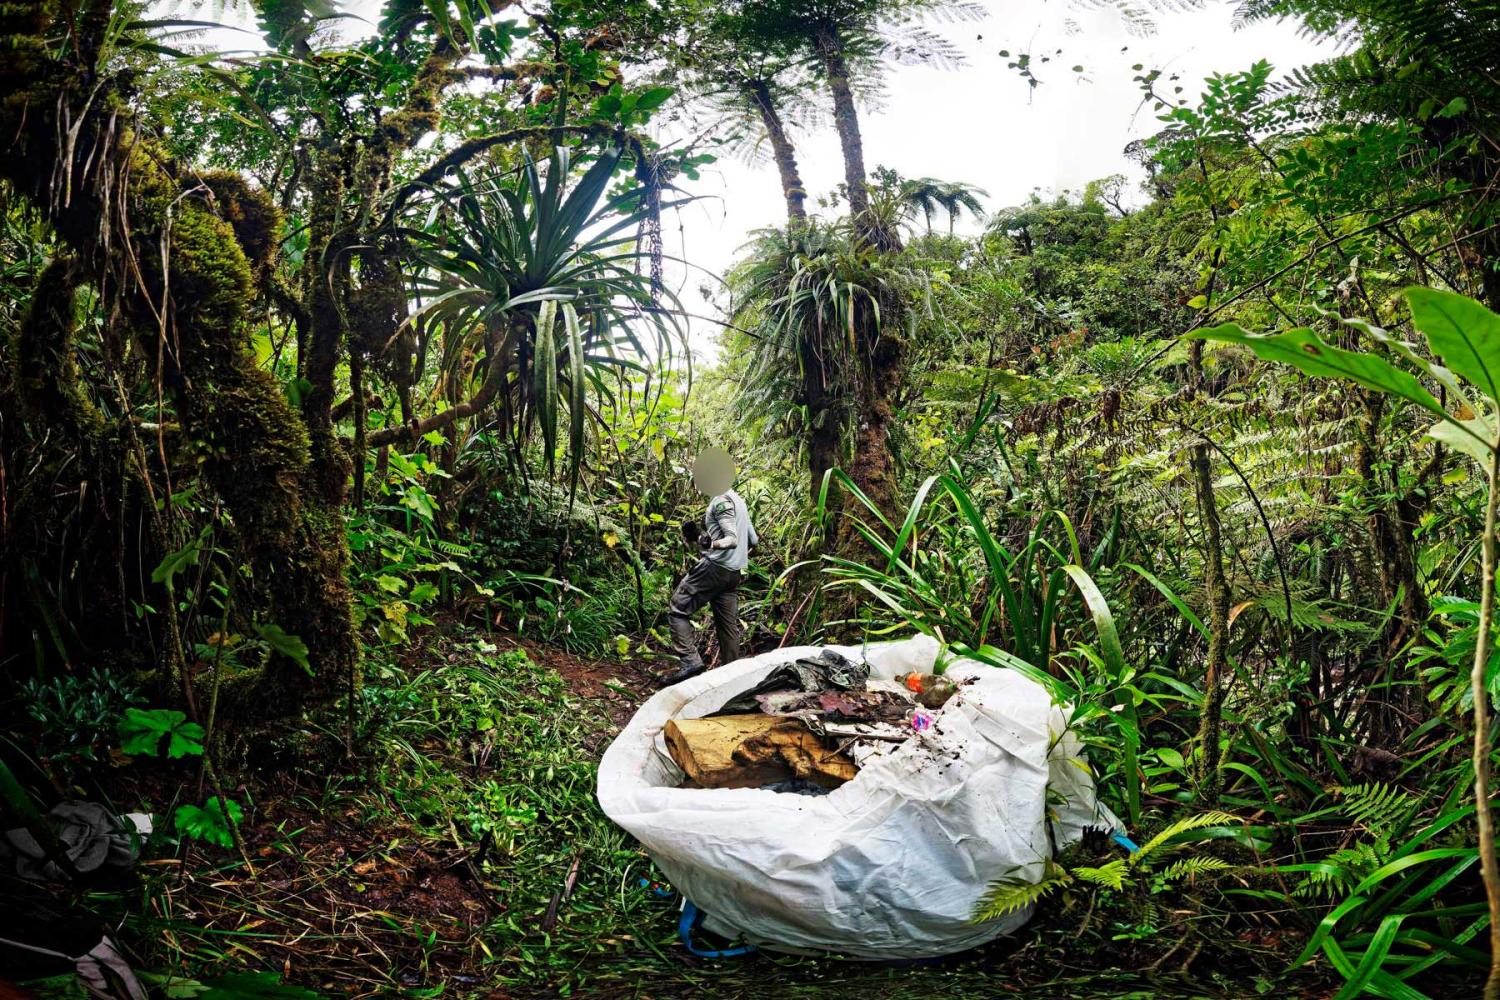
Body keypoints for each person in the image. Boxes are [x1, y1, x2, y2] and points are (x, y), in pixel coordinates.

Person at [663, 447, 757, 686]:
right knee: (728, 628)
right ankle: (733, 680)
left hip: (715, 568)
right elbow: (752, 540)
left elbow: (732, 538)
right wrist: (701, 539)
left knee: (677, 608)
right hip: (734, 574)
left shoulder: (721, 502)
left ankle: (690, 661)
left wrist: (710, 543)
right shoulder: (740, 501)